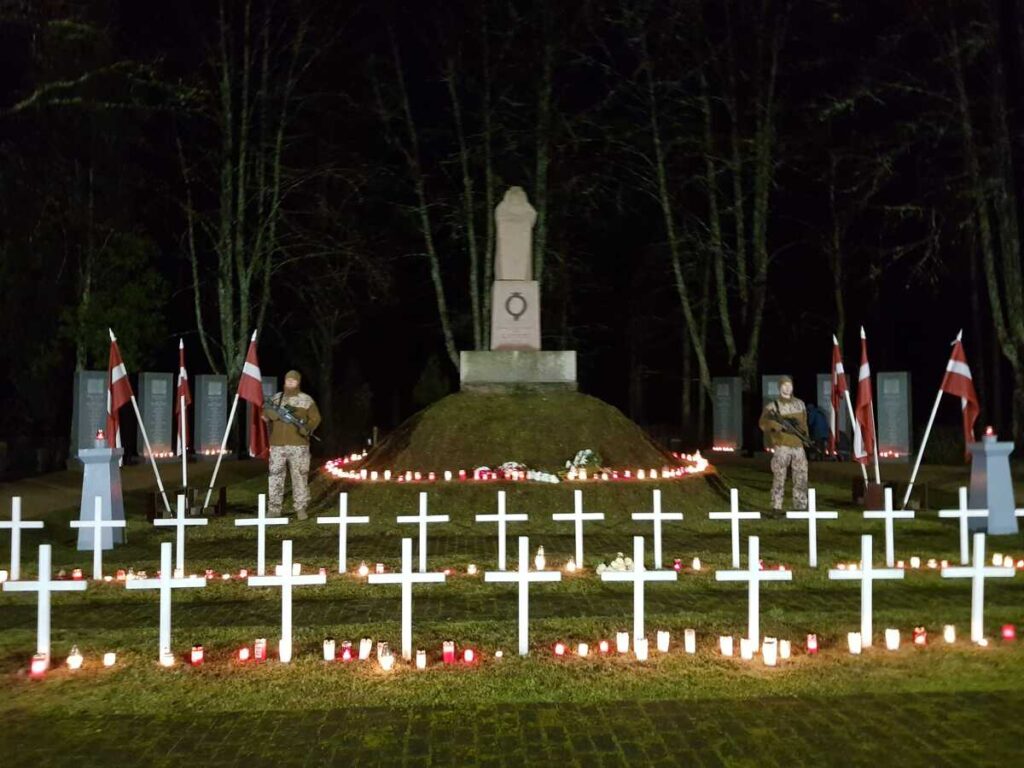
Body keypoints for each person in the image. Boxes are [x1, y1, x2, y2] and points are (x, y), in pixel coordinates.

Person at [263, 370, 321, 520]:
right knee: (275, 476)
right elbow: (264, 412)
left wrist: (307, 428)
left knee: (300, 476)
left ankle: (300, 508)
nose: (290, 382)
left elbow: (316, 418)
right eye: (288, 380)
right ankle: (274, 509)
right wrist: (270, 414)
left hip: (299, 445)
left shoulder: (306, 400)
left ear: (298, 382)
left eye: (293, 380)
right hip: (277, 445)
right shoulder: (276, 398)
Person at [758, 375, 809, 515]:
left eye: (790, 385)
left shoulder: (800, 404)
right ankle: (776, 506)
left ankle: (800, 505)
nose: (787, 387)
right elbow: (763, 423)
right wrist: (777, 426)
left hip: (798, 446)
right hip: (782, 446)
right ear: (779, 387)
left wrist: (806, 439)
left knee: (801, 475)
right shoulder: (772, 406)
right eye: (784, 385)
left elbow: (804, 425)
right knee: (779, 476)